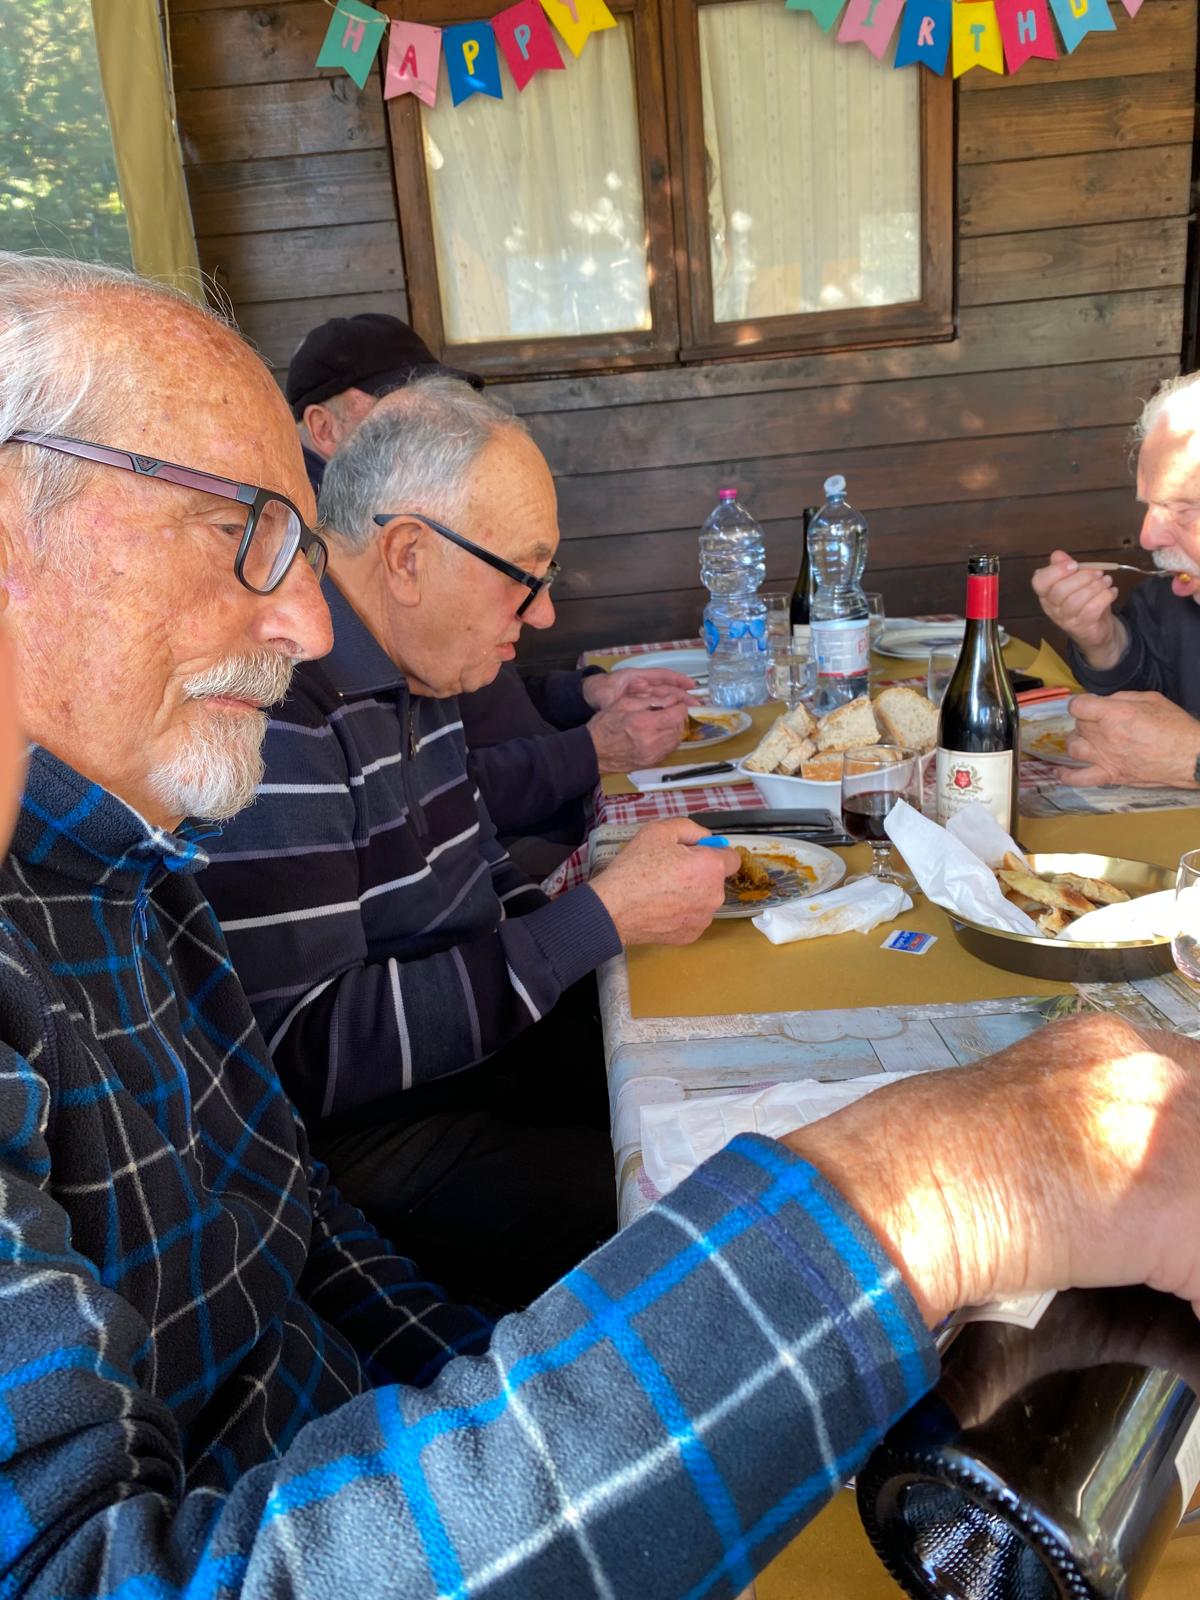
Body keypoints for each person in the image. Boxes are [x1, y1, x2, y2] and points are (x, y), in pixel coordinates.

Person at [5, 254, 1200, 1600]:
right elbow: (108, 1568)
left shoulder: (130, 871)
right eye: (243, 530)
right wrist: (919, 1191)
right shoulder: (230, 771)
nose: (302, 618)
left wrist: (508, 1380)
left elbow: (300, 1231)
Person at [201, 377, 735, 1308]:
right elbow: (307, 1051)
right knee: (717, 1224)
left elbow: (479, 865)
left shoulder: (421, 667)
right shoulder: (279, 709)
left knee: (723, 1083)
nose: (543, 614)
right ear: (407, 556)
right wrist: (595, 921)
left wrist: (594, 934)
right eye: (523, 576)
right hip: (374, 1146)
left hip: (486, 1058)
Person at [287, 311, 693, 867]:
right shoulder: (335, 612)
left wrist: (583, 693)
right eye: (401, 405)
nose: (438, 417)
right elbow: (431, 804)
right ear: (323, 428)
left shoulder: (425, 606)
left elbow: (485, 712)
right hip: (530, 831)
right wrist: (591, 751)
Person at [1033, 371, 1200, 788]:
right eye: (1151, 506)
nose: (1148, 537)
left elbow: (1180, 747)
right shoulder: (1168, 598)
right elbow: (1155, 702)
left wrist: (1191, 758)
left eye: (1185, 508)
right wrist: (1105, 642)